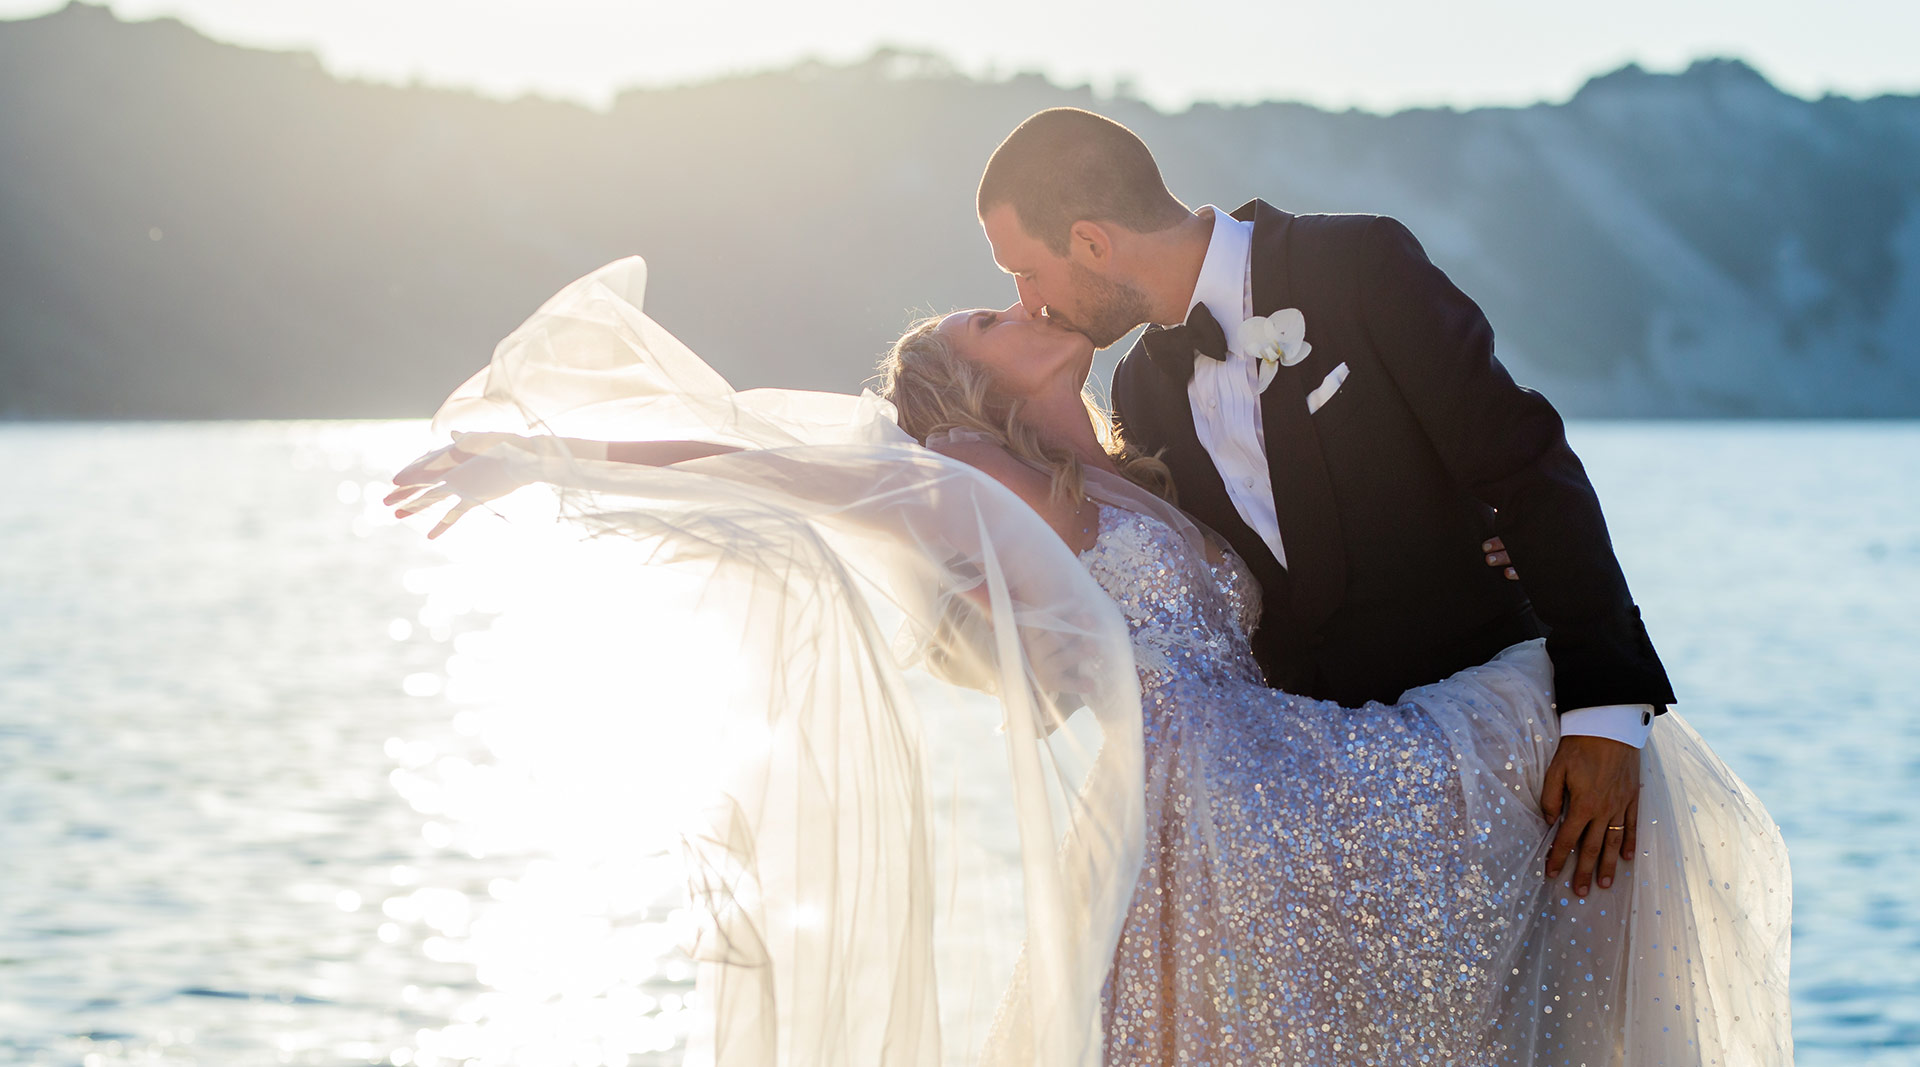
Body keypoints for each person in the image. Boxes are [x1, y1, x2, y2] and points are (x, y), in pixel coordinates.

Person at [388, 257, 1791, 1065]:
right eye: (988, 319)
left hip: (1248, 779)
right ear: (973, 382)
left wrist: (1472, 553)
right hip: (1212, 791)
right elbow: (777, 461)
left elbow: (1319, 559)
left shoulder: (1133, 467)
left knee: (1577, 733)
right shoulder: (957, 470)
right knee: (1557, 709)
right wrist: (545, 451)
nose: (1019, 304)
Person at [976, 108, 1676, 906]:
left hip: (1518, 768)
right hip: (1339, 821)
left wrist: (1607, 712)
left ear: (1092, 242)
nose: (1027, 299)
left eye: (1027, 270)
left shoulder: (1358, 263)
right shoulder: (1142, 387)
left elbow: (1525, 460)